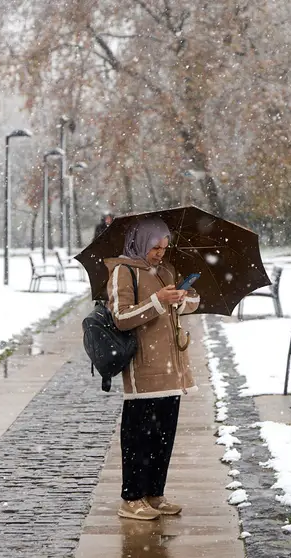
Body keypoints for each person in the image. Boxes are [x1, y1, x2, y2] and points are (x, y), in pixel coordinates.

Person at [103, 217, 200, 521]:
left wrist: (183, 299)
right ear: (141, 242)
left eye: (164, 247)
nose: (160, 252)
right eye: (155, 247)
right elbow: (121, 317)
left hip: (173, 367)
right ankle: (131, 499)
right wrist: (158, 300)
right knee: (138, 437)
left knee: (163, 436)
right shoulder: (123, 271)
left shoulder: (167, 270)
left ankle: (154, 494)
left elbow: (185, 305)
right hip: (143, 368)